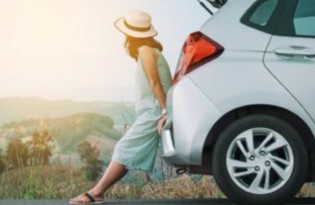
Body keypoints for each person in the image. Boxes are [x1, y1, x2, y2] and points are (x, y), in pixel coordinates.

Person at [69, 9, 171, 204]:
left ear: (130, 35)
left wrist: (165, 111)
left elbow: (155, 84)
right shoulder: (149, 50)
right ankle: (96, 192)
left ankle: (96, 193)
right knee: (126, 152)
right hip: (153, 111)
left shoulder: (145, 51)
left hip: (154, 111)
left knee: (124, 148)